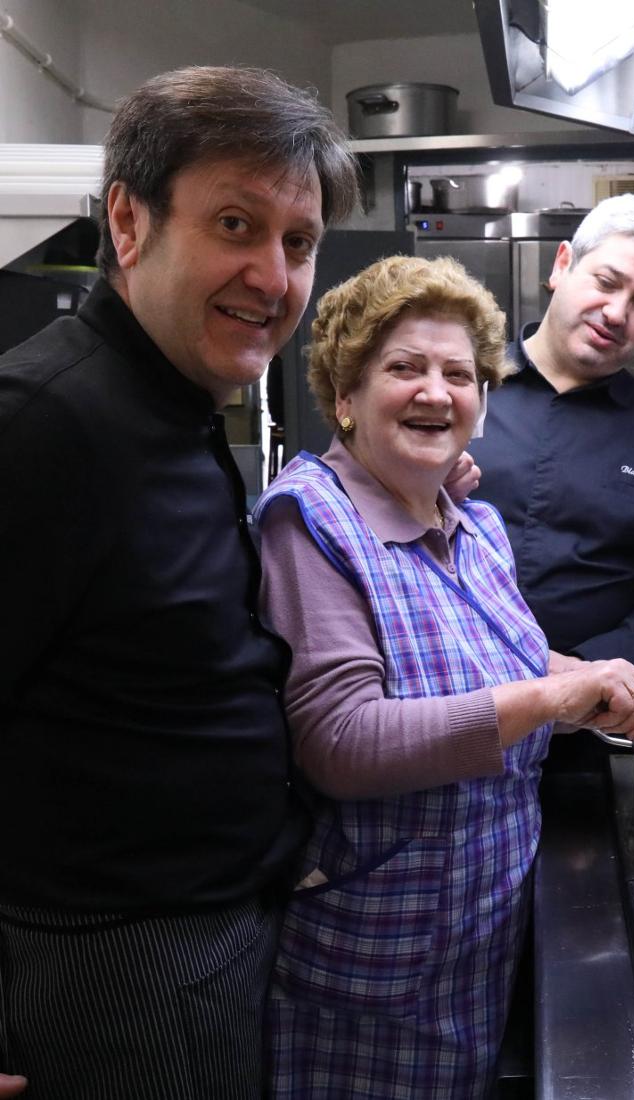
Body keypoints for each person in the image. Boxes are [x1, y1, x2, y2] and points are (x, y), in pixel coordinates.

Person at [0, 66, 358, 1099]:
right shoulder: (44, 425)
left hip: (205, 927)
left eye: (297, 243)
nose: (272, 274)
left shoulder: (176, 397)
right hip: (115, 959)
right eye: (236, 223)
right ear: (129, 220)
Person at [255, 254, 634, 1098]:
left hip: (473, 949)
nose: (435, 392)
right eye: (403, 368)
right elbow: (341, 742)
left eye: (460, 374)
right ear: (344, 396)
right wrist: (549, 697)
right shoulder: (310, 524)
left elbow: (504, 659)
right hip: (371, 969)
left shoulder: (473, 522)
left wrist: (589, 677)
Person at [469, 194, 634, 684]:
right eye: (606, 283)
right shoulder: (460, 387)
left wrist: (584, 674)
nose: (615, 313)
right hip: (436, 695)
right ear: (562, 264)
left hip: (587, 721)